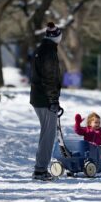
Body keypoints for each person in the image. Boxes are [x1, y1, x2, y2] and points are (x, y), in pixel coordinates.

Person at [30, 22, 63, 181]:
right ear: (57, 36)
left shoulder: (41, 49)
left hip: (38, 97)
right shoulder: (49, 52)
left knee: (46, 133)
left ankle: (40, 168)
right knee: (48, 136)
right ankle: (40, 170)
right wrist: (53, 100)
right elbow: (49, 78)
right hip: (44, 99)